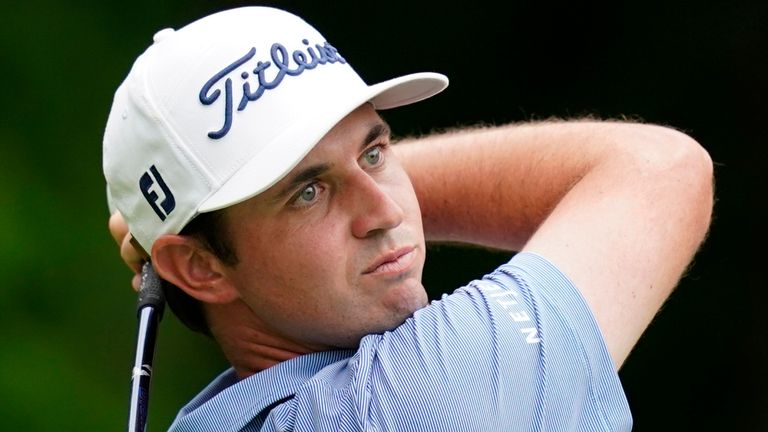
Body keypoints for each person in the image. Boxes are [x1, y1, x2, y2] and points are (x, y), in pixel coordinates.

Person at [104, 6, 714, 432]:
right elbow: (660, 169)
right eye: (308, 192)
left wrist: (187, 230)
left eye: (376, 152)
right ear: (200, 268)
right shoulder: (416, 400)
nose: (388, 208)